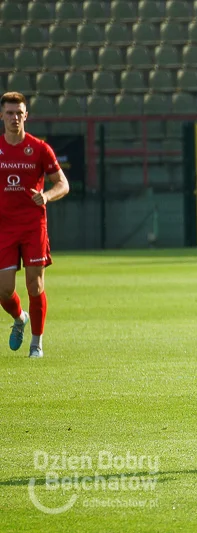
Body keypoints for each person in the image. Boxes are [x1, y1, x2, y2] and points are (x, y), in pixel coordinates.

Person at [0, 92, 70, 358]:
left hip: (32, 226)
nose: (14, 117)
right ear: (2, 115)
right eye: (9, 112)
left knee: (35, 286)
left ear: (26, 115)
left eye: (19, 113)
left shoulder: (39, 148)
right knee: (4, 290)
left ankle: (36, 344)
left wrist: (47, 196)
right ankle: (20, 318)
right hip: (4, 227)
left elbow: (63, 184)